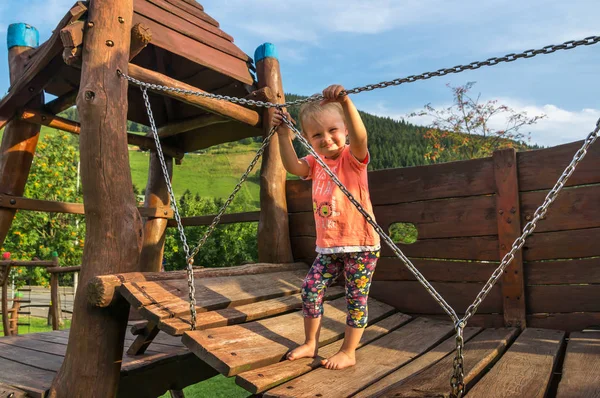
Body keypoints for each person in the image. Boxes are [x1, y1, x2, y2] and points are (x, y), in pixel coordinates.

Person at [272, 84, 380, 370]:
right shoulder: (315, 163)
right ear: (307, 139)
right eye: (316, 135)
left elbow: (361, 137)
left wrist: (345, 102)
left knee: (355, 299)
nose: (326, 139)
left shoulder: (352, 159)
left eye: (333, 130)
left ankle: (348, 351)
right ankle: (311, 343)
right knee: (310, 288)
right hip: (329, 247)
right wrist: (284, 135)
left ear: (344, 131)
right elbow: (292, 166)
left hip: (361, 245)